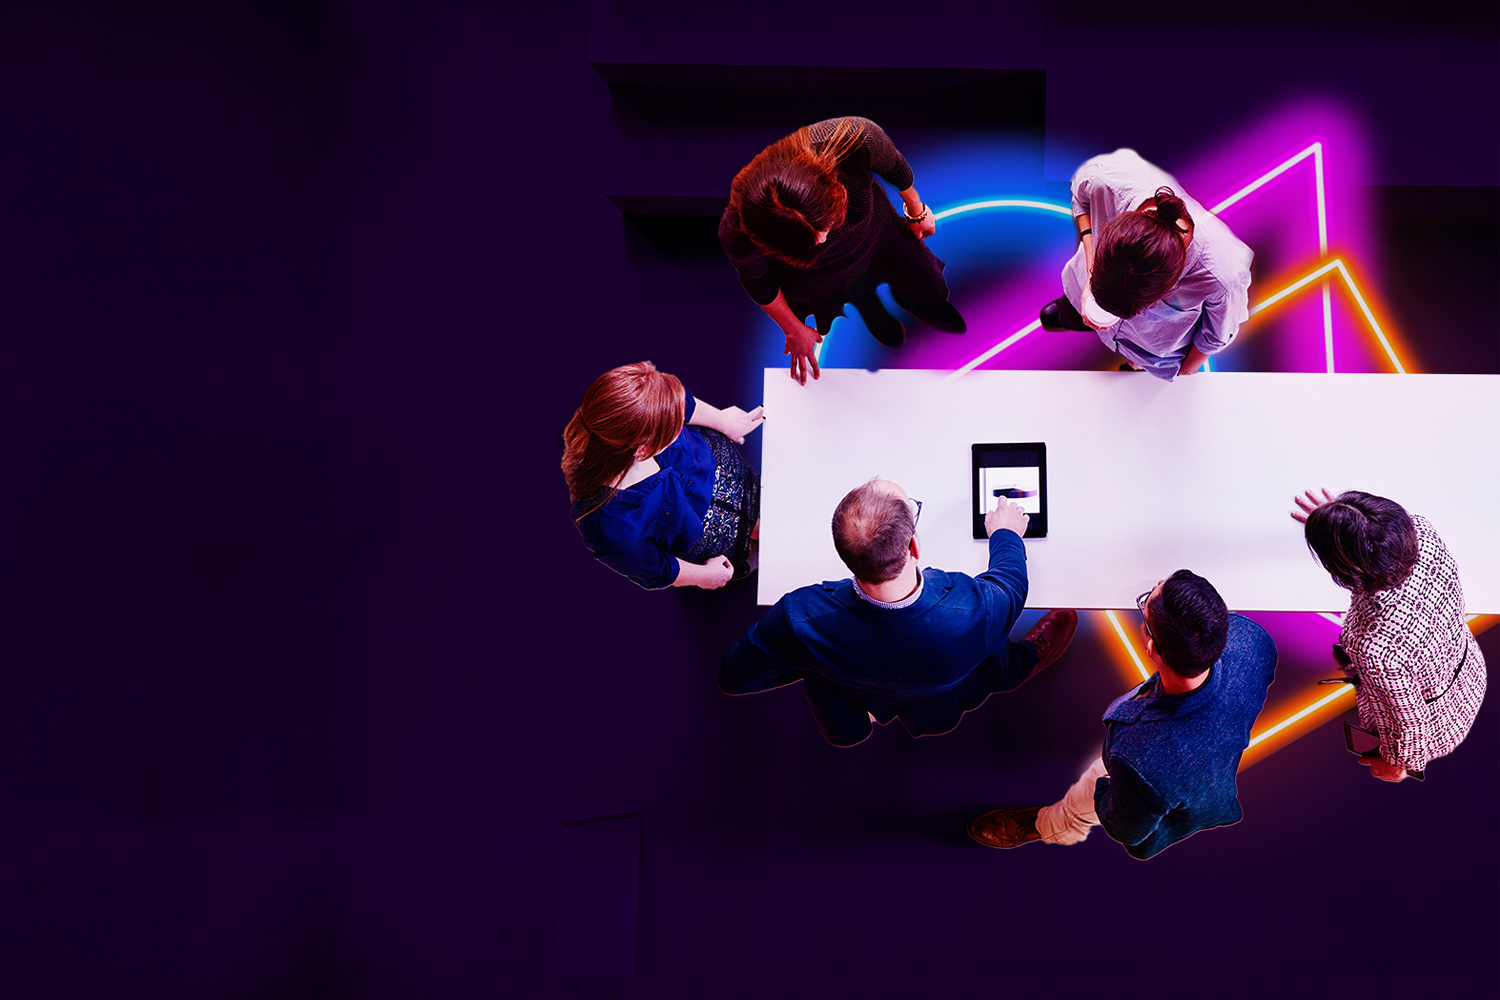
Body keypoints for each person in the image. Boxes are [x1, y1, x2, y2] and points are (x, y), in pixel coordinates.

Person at [718, 479, 1078, 746]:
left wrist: (815, 665)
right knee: (998, 659)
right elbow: (1011, 585)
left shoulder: (799, 618)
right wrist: (1005, 534)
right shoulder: (975, 608)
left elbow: (735, 678)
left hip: (870, 693)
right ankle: (1023, 663)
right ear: (914, 545)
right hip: (950, 691)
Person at [968, 570, 1277, 859]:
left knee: (1083, 798)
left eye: (1146, 602)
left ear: (1150, 645)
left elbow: (1126, 828)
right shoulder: (1252, 638)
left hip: (1167, 788)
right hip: (1207, 765)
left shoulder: (1140, 759)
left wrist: (1105, 785)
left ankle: (1046, 825)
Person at [721, 116, 967, 386]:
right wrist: (792, 329)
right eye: (813, 240)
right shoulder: (738, 231)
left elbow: (895, 167)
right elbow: (758, 282)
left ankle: (907, 298)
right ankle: (866, 302)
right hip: (815, 277)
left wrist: (916, 210)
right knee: (854, 295)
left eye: (826, 226)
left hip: (877, 236)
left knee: (932, 288)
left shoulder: (853, 142)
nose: (825, 239)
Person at [1292, 488, 1487, 781]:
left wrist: (1398, 765)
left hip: (1438, 724)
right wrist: (1344, 526)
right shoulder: (1422, 530)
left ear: (1353, 567)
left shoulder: (1375, 647)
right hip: (1466, 671)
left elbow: (1409, 722)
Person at [1037, 149, 1252, 381]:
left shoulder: (1223, 276)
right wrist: (1090, 268)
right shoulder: (1106, 181)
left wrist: (1185, 370)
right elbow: (1080, 196)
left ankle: (1137, 362)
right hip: (1083, 287)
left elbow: (1216, 336)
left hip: (1152, 348)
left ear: (1170, 285)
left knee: (1140, 374)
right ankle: (1075, 312)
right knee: (1073, 313)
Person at [562, 361, 764, 590]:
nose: (681, 422)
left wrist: (723, 421)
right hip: (718, 538)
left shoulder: (626, 406)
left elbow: (680, 402)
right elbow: (657, 567)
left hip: (729, 474)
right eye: (673, 426)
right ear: (642, 450)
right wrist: (703, 576)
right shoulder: (607, 527)